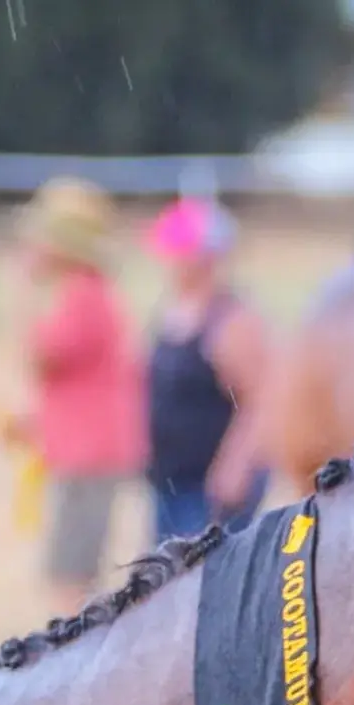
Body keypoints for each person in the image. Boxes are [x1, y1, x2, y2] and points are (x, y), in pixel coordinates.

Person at [7, 177, 142, 612]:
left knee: (71, 580)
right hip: (85, 453)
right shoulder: (86, 294)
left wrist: (20, 292)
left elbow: (38, 357)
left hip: (87, 459)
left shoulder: (83, 296)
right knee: (75, 573)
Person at [141, 196, 274, 541]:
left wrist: (236, 466)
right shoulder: (171, 311)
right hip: (170, 481)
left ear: (206, 257)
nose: (168, 262)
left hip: (211, 488)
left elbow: (261, 400)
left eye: (178, 252)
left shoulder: (233, 322)